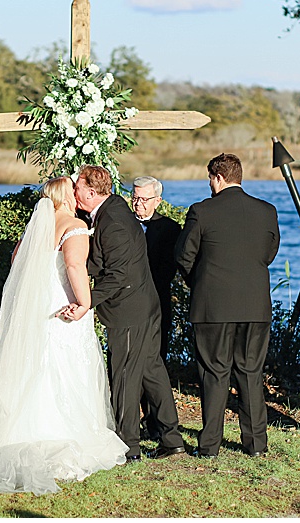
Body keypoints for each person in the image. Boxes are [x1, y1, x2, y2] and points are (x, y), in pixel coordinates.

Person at [0, 176, 128, 495]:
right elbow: (74, 266)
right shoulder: (73, 226)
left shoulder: (36, 228)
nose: (77, 195)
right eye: (73, 190)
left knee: (37, 366)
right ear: (66, 196)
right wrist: (85, 302)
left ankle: (23, 430)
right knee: (67, 367)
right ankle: (65, 435)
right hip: (64, 306)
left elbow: (16, 263)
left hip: (39, 309)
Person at [64, 165, 185, 462]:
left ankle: (127, 446)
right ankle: (172, 440)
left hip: (130, 311)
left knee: (124, 377)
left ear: (91, 193)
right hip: (144, 305)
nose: (73, 192)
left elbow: (118, 275)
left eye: (76, 187)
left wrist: (86, 302)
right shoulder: (114, 207)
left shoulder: (114, 222)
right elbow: (104, 259)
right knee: (151, 372)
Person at [175, 153, 279, 458]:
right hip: (254, 304)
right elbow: (269, 253)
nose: (209, 183)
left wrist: (202, 281)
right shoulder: (267, 211)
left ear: (218, 177)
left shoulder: (201, 211)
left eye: (210, 177)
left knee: (214, 374)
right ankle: (256, 445)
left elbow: (183, 255)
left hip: (212, 307)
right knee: (250, 373)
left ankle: (209, 447)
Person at [131, 176, 182, 441]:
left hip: (157, 303)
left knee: (155, 362)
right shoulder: (124, 225)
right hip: (127, 306)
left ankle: (154, 421)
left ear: (157, 201)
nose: (138, 204)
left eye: (144, 200)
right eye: (135, 198)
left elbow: (168, 271)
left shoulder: (170, 229)